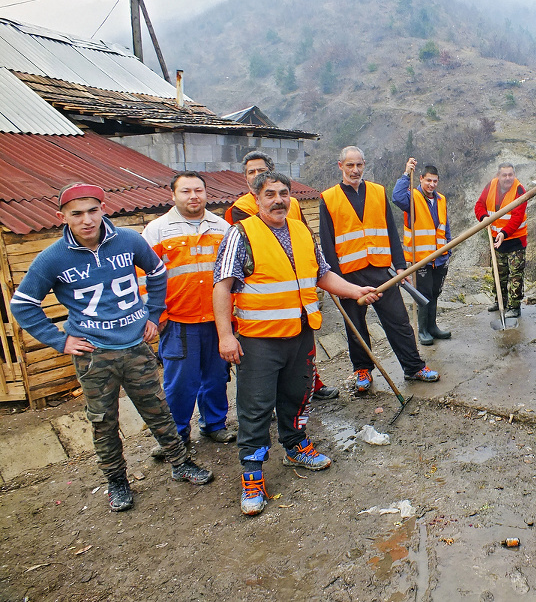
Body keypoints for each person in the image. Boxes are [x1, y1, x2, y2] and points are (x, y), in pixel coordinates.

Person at [11, 183, 213, 512]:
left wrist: (152, 313)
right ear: (61, 216)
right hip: (94, 355)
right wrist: (60, 340)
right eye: (76, 213)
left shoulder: (129, 240)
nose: (86, 219)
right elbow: (23, 305)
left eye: (93, 210)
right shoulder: (52, 258)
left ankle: (180, 462)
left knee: (157, 409)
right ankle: (117, 481)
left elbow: (158, 271)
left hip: (135, 346)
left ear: (104, 207)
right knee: (103, 421)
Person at [213, 171, 381, 516]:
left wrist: (355, 291)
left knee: (297, 396)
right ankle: (252, 474)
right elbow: (222, 286)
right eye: (270, 194)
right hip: (259, 341)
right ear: (256, 199)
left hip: (300, 333)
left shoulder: (302, 231)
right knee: (256, 408)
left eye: (284, 193)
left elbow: (322, 274)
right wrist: (226, 336)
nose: (279, 200)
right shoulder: (241, 234)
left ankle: (295, 447)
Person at [320, 146, 439, 393]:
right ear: (340, 166)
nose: (355, 170)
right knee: (356, 326)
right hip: (349, 276)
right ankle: (362, 369)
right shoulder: (328, 198)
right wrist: (337, 281)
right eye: (350, 165)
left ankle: (413, 366)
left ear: (364, 165)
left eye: (359, 165)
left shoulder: (377, 191)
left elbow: (391, 232)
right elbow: (327, 242)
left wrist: (399, 266)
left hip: (381, 269)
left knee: (399, 321)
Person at [225, 151, 339, 401]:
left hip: (299, 306)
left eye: (261, 170)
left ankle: (310, 389)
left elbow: (303, 240)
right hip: (264, 317)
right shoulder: (240, 213)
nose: (257, 175)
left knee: (301, 367)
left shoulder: (293, 204)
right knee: (264, 384)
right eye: (251, 172)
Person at [142, 171, 235, 459]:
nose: (193, 196)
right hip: (179, 319)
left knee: (216, 376)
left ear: (207, 194)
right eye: (186, 191)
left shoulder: (223, 227)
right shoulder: (157, 230)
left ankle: (214, 425)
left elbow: (234, 272)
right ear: (173, 196)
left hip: (217, 320)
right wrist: (156, 313)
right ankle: (177, 433)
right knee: (180, 381)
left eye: (198, 190)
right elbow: (142, 275)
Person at [391, 158, 451, 345]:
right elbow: (396, 197)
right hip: (421, 258)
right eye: (428, 180)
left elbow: (445, 225)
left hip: (439, 257)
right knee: (423, 295)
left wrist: (448, 248)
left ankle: (432, 327)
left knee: (434, 293)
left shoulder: (441, 199)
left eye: (435, 181)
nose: (431, 184)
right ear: (421, 179)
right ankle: (423, 330)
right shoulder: (412, 197)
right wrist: (405, 173)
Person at [474, 163, 528, 318]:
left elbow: (517, 218)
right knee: (498, 273)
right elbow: (479, 205)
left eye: (510, 174)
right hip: (496, 241)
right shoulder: (490, 186)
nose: (508, 178)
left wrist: (504, 233)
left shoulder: (519, 190)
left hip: (515, 240)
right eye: (504, 175)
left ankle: (514, 307)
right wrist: (484, 218)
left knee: (515, 276)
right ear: (498, 175)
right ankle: (500, 302)